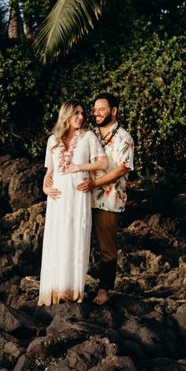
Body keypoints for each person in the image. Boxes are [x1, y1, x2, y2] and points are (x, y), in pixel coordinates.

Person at [38, 102, 108, 305]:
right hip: (57, 197)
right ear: (66, 115)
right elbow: (49, 172)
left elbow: (103, 163)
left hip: (78, 195)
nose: (80, 117)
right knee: (57, 238)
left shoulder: (88, 137)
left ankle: (72, 290)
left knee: (75, 238)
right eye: (76, 113)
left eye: (82, 113)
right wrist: (45, 188)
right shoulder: (53, 140)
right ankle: (54, 289)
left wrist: (78, 167)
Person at [76, 93, 134, 305]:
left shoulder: (124, 138)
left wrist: (95, 184)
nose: (96, 113)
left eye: (101, 109)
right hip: (82, 197)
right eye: (95, 110)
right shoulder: (88, 134)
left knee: (106, 247)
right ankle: (76, 285)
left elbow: (121, 170)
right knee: (79, 242)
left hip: (108, 201)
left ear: (114, 111)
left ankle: (104, 290)